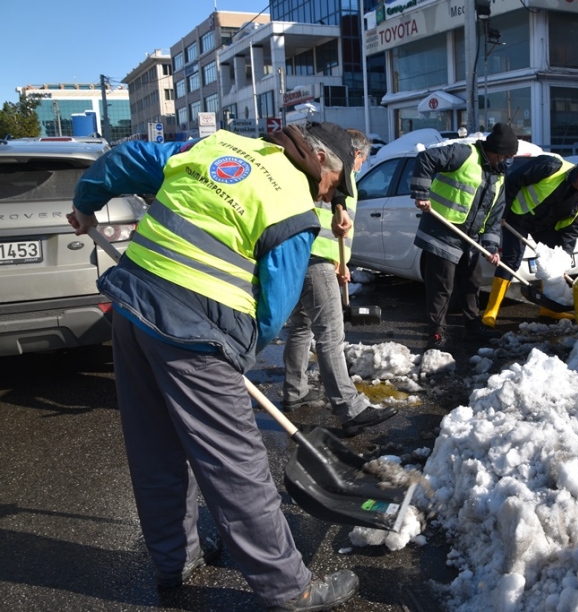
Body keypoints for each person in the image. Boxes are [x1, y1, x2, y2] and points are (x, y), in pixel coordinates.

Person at [67, 123, 360, 611]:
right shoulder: (293, 204)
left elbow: (125, 159)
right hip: (194, 333)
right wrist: (234, 357)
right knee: (235, 464)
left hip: (133, 307)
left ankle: (174, 561)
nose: (332, 198)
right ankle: (289, 588)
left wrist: (85, 203)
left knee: (154, 447)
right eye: (336, 187)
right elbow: (273, 309)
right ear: (323, 163)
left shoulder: (215, 145)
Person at [281, 129, 397, 435]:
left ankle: (295, 392)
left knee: (302, 327)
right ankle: (350, 409)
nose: (358, 166)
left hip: (306, 256)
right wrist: (335, 261)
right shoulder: (331, 177)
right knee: (330, 335)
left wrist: (341, 260)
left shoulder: (326, 179)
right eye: (359, 159)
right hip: (316, 258)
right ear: (352, 155)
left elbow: (339, 223)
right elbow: (328, 225)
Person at [411, 122, 519, 349]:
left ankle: (472, 326)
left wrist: (490, 249)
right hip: (442, 231)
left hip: (469, 239)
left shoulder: (498, 177)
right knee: (442, 286)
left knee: (472, 282)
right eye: (505, 155)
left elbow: (493, 218)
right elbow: (426, 159)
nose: (507, 161)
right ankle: (436, 333)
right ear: (493, 151)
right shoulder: (464, 154)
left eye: (511, 157)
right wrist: (421, 192)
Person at [482, 158, 578, 327]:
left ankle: (548, 309)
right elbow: (513, 180)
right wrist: (502, 212)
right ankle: (492, 311)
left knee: (551, 262)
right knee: (512, 259)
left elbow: (571, 230)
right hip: (519, 215)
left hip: (544, 224)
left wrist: (562, 257)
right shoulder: (551, 167)